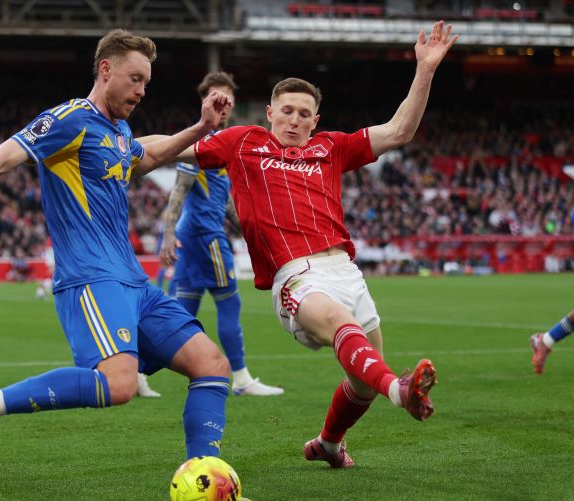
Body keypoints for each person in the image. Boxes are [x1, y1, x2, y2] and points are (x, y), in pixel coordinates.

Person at [0, 28, 267, 501]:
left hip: (133, 283)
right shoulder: (69, 120)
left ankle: (207, 479)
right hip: (89, 280)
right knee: (119, 385)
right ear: (106, 70)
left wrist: (203, 128)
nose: (142, 90)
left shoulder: (119, 133)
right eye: (135, 78)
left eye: (147, 81)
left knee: (212, 366)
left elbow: (153, 152)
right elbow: (1, 157)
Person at [160, 21, 458, 467]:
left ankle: (328, 445)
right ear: (270, 112)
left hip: (346, 272)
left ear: (315, 120)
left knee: (361, 381)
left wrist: (426, 70)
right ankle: (400, 390)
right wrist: (117, 144)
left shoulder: (331, 148)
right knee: (350, 336)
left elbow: (399, 131)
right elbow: (169, 149)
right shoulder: (243, 143)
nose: (295, 119)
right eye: (287, 111)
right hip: (296, 276)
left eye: (304, 113)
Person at [155, 71, 283, 397]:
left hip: (196, 238)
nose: (223, 105)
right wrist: (168, 236)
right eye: (216, 97)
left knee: (181, 314)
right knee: (230, 305)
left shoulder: (222, 146)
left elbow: (223, 202)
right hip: (206, 239)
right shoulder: (198, 144)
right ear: (205, 101)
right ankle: (240, 379)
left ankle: (139, 370)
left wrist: (254, 233)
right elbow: (178, 193)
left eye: (228, 99)